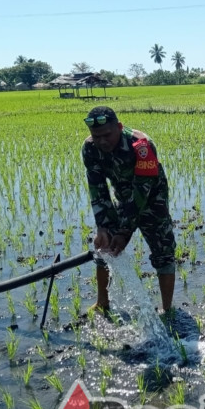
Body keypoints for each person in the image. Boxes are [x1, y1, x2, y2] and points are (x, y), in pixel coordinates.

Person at [81, 106, 176, 314]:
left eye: (107, 134)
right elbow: (97, 190)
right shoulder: (89, 148)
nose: (102, 141)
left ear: (119, 127)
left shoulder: (141, 145)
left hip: (152, 197)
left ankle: (167, 310)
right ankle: (102, 303)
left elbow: (142, 192)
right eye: (97, 136)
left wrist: (125, 232)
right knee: (103, 248)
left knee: (164, 251)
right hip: (123, 197)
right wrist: (103, 227)